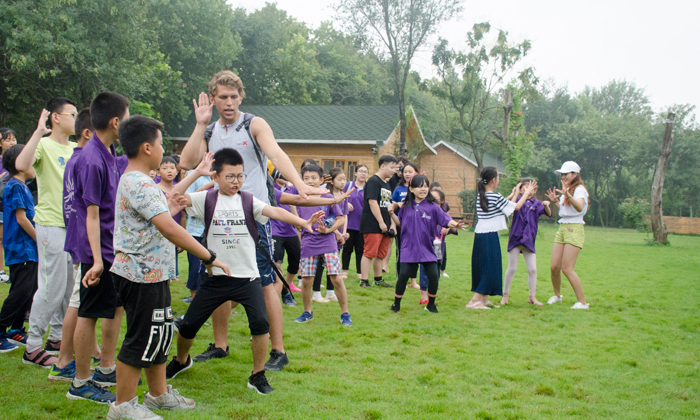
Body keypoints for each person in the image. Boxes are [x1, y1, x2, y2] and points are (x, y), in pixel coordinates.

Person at [179, 71, 327, 371]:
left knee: (265, 283)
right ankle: (220, 345)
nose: (229, 102)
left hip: (253, 218)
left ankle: (278, 349)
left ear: (241, 97)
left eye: (234, 97)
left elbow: (276, 152)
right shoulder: (210, 131)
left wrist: (298, 183)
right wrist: (200, 124)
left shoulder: (253, 124)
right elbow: (186, 162)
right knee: (219, 280)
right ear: (214, 98)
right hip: (218, 219)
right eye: (223, 97)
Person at [165, 148, 324, 394]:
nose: (236, 181)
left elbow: (274, 211)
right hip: (215, 278)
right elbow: (174, 197)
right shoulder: (205, 199)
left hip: (248, 279)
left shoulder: (249, 200)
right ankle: (181, 361)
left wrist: (302, 222)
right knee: (187, 326)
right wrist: (198, 174)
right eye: (230, 176)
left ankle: (257, 375)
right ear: (216, 177)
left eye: (240, 176)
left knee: (260, 325)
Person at [67, 92, 130, 403]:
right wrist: (96, 261)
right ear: (116, 121)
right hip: (98, 252)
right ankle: (80, 382)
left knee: (114, 308)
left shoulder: (109, 149)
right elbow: (91, 215)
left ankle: (106, 367)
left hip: (112, 248)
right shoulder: (91, 159)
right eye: (127, 116)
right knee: (88, 313)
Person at [15, 100, 77, 367]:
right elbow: (21, 163)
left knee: (67, 287)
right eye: (72, 114)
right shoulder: (43, 144)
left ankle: (56, 338)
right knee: (52, 284)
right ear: (56, 117)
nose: (76, 119)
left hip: (73, 225)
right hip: (51, 223)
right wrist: (38, 132)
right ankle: (32, 346)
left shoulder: (76, 149)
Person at [50, 108, 102, 382]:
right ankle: (63, 363)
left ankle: (82, 353)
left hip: (77, 237)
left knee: (78, 300)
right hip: (85, 241)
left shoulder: (75, 159)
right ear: (88, 133)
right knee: (78, 302)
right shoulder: (88, 161)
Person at [389, 175, 464, 313]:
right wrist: (392, 214)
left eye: (425, 186)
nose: (423, 189)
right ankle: (396, 304)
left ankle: (431, 304)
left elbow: (446, 219)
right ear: (411, 189)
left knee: (434, 275)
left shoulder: (433, 207)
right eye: (419, 186)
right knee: (403, 275)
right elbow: (401, 223)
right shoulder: (406, 206)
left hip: (428, 248)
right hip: (408, 247)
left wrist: (455, 225)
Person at [466, 167, 535, 310]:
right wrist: (526, 193)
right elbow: (515, 207)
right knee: (489, 267)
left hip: (480, 234)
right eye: (498, 178)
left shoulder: (482, 195)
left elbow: (503, 205)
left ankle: (483, 299)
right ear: (493, 180)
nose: (498, 180)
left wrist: (514, 194)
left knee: (484, 266)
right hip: (489, 236)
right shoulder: (494, 196)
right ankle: (474, 301)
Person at [292, 164, 351, 326]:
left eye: (313, 178)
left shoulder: (328, 197)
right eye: (306, 178)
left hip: (328, 243)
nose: (310, 181)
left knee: (337, 279)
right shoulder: (299, 198)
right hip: (308, 243)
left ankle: (345, 314)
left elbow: (340, 218)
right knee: (306, 281)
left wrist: (329, 230)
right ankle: (307, 312)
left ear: (321, 180)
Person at [0, 145, 37, 353]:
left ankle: (15, 328)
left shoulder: (22, 186)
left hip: (28, 248)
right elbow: (22, 219)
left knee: (27, 291)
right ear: (20, 165)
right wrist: (39, 239)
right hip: (21, 248)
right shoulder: (15, 186)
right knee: (19, 291)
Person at [545, 161, 589, 309]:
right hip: (563, 227)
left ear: (575, 174)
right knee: (554, 266)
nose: (563, 177)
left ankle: (582, 302)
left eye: (566, 174)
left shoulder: (579, 190)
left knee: (567, 268)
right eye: (562, 174)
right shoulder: (568, 189)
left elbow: (579, 207)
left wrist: (568, 196)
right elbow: (565, 210)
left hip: (574, 228)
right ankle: (557, 296)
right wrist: (556, 201)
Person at [501, 178, 552, 307]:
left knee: (533, 269)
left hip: (529, 241)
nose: (528, 191)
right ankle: (505, 295)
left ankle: (532, 297)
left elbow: (548, 213)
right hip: (515, 239)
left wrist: (546, 205)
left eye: (531, 188)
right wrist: (517, 194)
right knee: (512, 268)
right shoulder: (518, 200)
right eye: (525, 188)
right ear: (520, 189)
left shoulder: (537, 203)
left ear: (535, 190)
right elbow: (511, 208)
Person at [310, 167, 348, 302]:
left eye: (344, 179)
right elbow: (327, 217)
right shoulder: (326, 195)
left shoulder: (343, 195)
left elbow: (343, 216)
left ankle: (330, 292)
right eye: (340, 179)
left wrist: (344, 233)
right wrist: (336, 232)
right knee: (320, 264)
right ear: (331, 181)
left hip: (336, 235)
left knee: (333, 266)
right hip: (325, 233)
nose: (343, 182)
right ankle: (316, 293)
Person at [359, 155, 397, 288]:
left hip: (386, 224)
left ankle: (378, 279)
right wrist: (381, 222)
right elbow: (372, 202)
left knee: (381, 253)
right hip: (373, 224)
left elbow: (389, 205)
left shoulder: (386, 183)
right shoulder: (373, 181)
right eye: (391, 167)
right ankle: (364, 281)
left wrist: (391, 223)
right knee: (370, 252)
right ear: (382, 166)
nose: (393, 170)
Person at [417, 189, 457, 304]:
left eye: (435, 200)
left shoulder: (444, 216)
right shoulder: (424, 212)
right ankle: (424, 295)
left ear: (442, 202)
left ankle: (431, 294)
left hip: (438, 247)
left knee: (436, 270)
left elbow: (454, 228)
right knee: (424, 269)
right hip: (425, 246)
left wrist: (449, 227)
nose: (432, 202)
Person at [183, 168, 212, 303]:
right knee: (195, 268)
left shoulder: (224, 175)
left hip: (214, 231)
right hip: (196, 231)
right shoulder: (194, 175)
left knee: (212, 268)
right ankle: (195, 301)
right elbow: (188, 200)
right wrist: (212, 185)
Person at [271, 176, 303, 301]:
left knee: (296, 260)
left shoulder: (292, 190)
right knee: (276, 263)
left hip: (291, 231)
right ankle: (278, 292)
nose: (284, 177)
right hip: (275, 230)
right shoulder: (271, 188)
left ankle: (286, 286)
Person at [157, 156, 187, 281]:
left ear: (177, 171)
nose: (169, 171)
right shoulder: (155, 189)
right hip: (159, 236)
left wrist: (182, 237)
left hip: (174, 236)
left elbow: (183, 215)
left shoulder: (179, 190)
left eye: (172, 168)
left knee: (169, 274)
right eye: (165, 168)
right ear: (158, 172)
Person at [391, 162, 419, 290]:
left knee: (416, 252)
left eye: (410, 171)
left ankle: (413, 281)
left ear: (415, 173)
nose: (407, 174)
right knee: (401, 251)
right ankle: (400, 279)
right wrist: (397, 203)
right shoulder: (398, 189)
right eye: (405, 171)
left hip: (416, 225)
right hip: (401, 224)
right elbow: (391, 207)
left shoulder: (419, 188)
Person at [341, 165, 367, 279]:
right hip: (349, 223)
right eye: (361, 171)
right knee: (347, 249)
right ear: (355, 173)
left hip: (362, 224)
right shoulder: (348, 185)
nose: (363, 174)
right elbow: (338, 198)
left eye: (365, 172)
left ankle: (359, 272)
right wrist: (345, 203)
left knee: (360, 249)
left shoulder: (368, 187)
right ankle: (345, 271)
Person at [0, 127, 18, 283]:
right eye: (8, 139)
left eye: (13, 139)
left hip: (12, 206)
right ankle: (1, 271)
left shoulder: (18, 159)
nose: (12, 142)